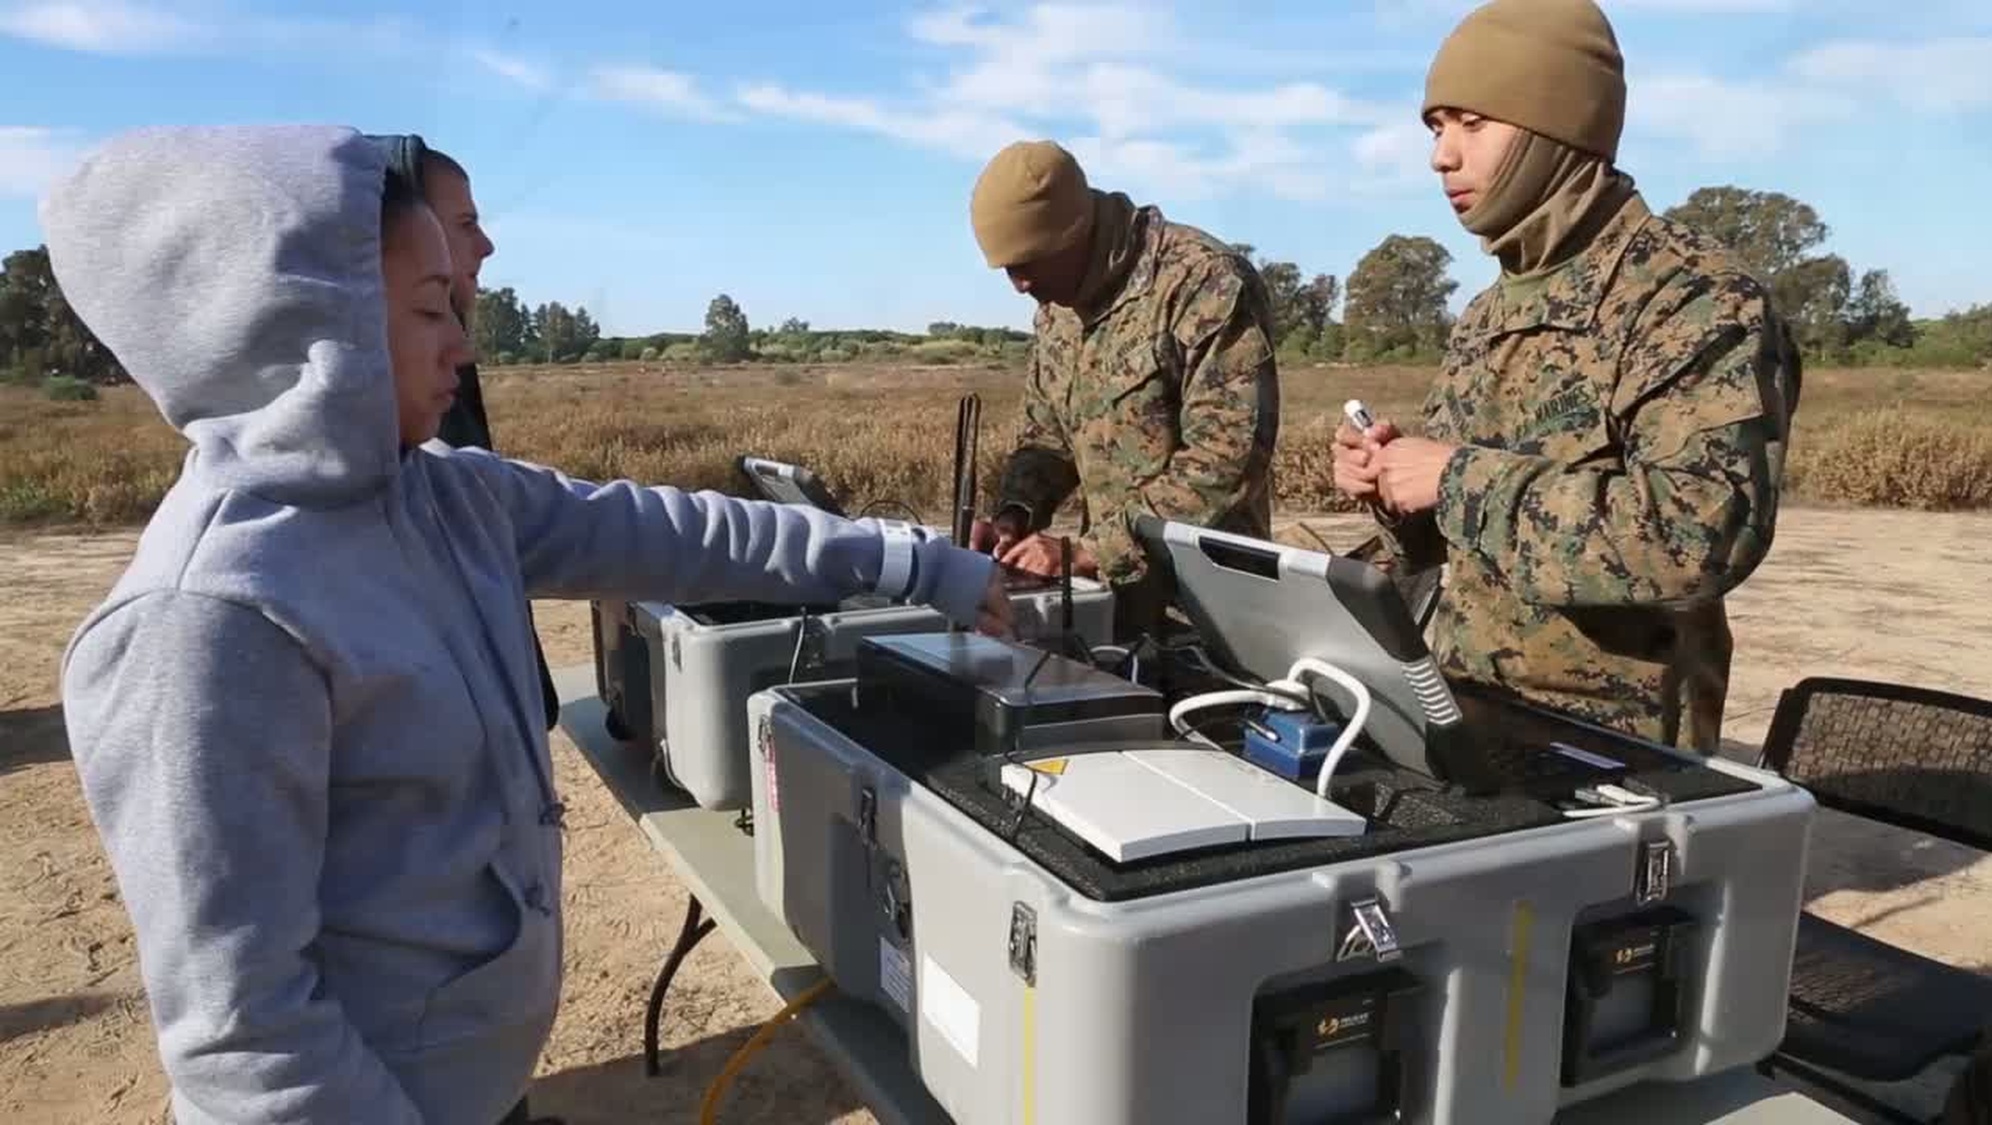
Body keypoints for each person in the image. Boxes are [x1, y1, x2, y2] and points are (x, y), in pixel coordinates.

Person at [43, 123, 1011, 1125]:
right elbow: (248, 1041)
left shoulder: (444, 497)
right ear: (298, 333)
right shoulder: (205, 625)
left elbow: (675, 531)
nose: (463, 342)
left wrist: (914, 562)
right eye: (431, 310)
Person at [1333, 0, 1802, 754]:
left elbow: (1697, 539)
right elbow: (1456, 541)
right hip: (1468, 710)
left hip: (1618, 750)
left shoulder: (1694, 298)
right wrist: (1392, 487)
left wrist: (1453, 478)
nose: (1441, 156)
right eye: (1435, 128)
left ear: (1561, 124)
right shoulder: (1489, 312)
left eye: (1472, 124)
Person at [963, 139, 1281, 641]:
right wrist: (1014, 515)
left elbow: (1228, 455)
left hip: (1210, 613)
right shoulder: (1057, 306)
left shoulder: (1202, 280)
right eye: (1006, 269)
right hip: (1114, 609)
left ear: (1073, 233)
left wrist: (1094, 549)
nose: (1018, 285)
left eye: (1026, 264)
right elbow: (1046, 436)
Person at [375, 135, 567, 733]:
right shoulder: (217, 607)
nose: (486, 245)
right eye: (463, 224)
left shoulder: (421, 474)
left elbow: (613, 526)